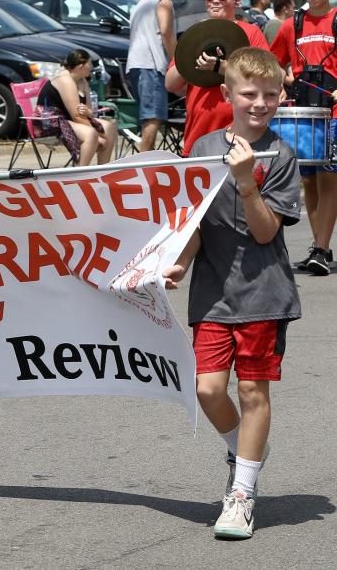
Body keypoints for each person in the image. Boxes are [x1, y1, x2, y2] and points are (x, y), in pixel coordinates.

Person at [163, 47, 302, 540]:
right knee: (208, 389)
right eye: (249, 93)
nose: (260, 103)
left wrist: (247, 182)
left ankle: (241, 494)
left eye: (270, 94)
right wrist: (178, 261)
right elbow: (196, 225)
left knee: (252, 390)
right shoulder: (201, 149)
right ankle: (245, 449)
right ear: (226, 94)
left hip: (265, 293)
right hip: (213, 292)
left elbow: (266, 233)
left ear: (281, 95)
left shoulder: (281, 157)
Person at [270, 0, 337, 275]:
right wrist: (283, 83)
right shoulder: (291, 25)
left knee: (329, 177)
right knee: (309, 181)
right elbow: (272, 62)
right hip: (305, 112)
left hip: (333, 111)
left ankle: (320, 249)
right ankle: (319, 246)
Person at [165, 0, 270, 157]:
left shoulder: (252, 33)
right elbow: (170, 84)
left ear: (237, 1)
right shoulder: (193, 35)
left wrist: (222, 68)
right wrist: (191, 54)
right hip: (197, 135)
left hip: (239, 139)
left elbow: (264, 76)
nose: (214, 1)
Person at [35, 49, 118, 165]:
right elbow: (77, 116)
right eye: (89, 64)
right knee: (90, 134)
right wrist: (99, 136)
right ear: (80, 66)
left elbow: (89, 111)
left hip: (68, 119)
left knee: (109, 127)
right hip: (50, 123)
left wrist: (89, 113)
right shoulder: (65, 80)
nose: (91, 67)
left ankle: (103, 169)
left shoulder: (82, 80)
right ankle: (80, 172)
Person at [126, 0, 177, 152]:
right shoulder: (163, 2)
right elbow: (166, 32)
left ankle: (147, 160)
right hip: (151, 64)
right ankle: (145, 165)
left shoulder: (142, 4)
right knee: (152, 118)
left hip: (137, 63)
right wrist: (177, 59)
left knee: (148, 118)